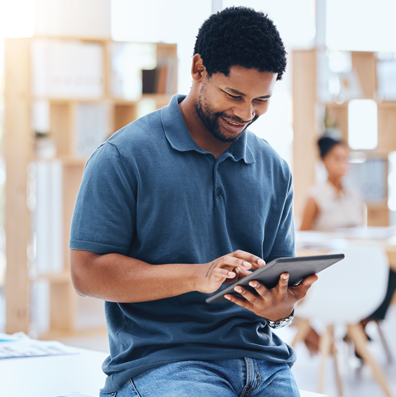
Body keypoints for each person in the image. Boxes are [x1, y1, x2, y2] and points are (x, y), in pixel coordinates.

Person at [70, 7, 317, 397]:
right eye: (233, 95)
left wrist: (279, 308)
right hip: (166, 363)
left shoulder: (273, 168)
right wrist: (198, 275)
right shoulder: (123, 157)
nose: (245, 113)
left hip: (264, 362)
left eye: (261, 100)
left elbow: (277, 289)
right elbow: (86, 274)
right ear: (198, 69)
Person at [299, 136, 396, 355]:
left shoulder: (353, 194)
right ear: (324, 161)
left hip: (355, 259)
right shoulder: (315, 197)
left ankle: (360, 327)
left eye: (346, 159)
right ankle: (344, 338)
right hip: (331, 266)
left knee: (391, 276)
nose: (343, 165)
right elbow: (303, 240)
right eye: (337, 159)